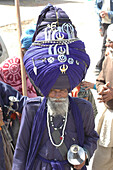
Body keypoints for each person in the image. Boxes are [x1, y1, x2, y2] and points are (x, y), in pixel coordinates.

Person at [12, 4, 99, 170]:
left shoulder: (83, 109)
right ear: (45, 90)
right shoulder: (32, 109)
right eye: (53, 91)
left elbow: (92, 138)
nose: (58, 95)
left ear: (69, 90)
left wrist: (85, 154)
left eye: (62, 91)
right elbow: (21, 149)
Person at [92, 23, 113, 170]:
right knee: (102, 162)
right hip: (109, 119)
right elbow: (100, 80)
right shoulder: (108, 59)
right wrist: (102, 89)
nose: (108, 44)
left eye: (111, 41)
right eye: (108, 40)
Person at [94, 0, 113, 72]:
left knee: (106, 45)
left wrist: (108, 13)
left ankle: (100, 65)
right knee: (106, 45)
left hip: (111, 24)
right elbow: (96, 7)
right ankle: (102, 66)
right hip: (104, 24)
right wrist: (100, 13)